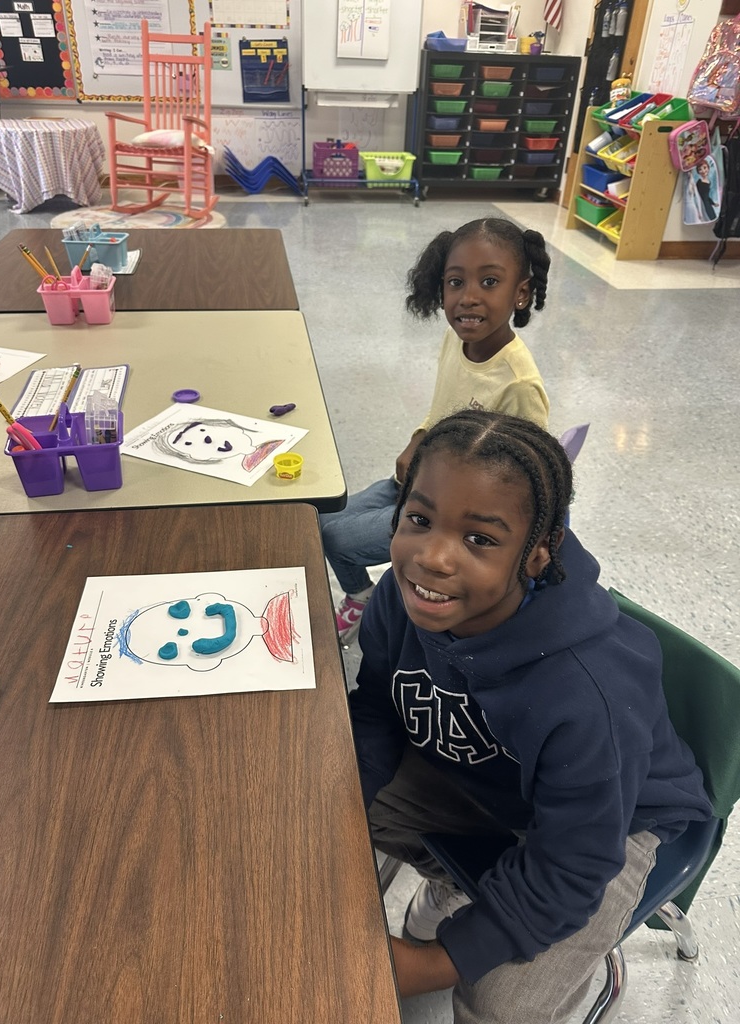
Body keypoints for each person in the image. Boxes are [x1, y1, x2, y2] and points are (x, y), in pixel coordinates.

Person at [350, 409, 713, 1023]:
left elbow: (575, 862)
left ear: (539, 555)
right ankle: (468, 892)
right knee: (311, 816)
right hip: (487, 779)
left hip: (613, 828)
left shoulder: (585, 693)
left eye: (480, 539)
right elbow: (378, 713)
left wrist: (439, 963)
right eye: (419, 519)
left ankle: (483, 912)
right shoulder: (403, 594)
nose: (431, 558)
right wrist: (343, 798)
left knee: (499, 1004)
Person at [320, 217, 551, 646]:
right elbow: (440, 409)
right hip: (419, 482)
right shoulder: (457, 341)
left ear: (521, 293)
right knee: (320, 518)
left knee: (336, 538)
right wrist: (418, 437)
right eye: (455, 283)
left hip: (452, 515)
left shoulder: (518, 383)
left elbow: (528, 479)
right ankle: (369, 595)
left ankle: (362, 598)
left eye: (489, 282)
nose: (468, 299)